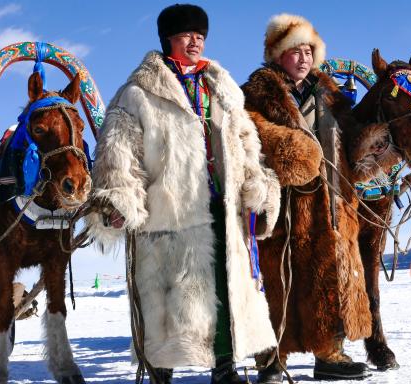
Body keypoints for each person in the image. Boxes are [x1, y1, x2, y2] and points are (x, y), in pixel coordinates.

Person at [86, 4, 281, 384]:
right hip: (168, 212)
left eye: (200, 35)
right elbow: (119, 151)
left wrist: (256, 183)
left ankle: (225, 367)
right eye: (186, 35)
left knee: (226, 290)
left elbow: (244, 141)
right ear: (167, 40)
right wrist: (119, 198)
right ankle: (160, 371)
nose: (194, 42)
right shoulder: (138, 93)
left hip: (222, 205)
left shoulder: (222, 89)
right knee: (166, 300)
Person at [241, 14, 373, 383]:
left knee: (329, 277)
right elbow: (247, 129)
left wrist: (381, 144)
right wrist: (285, 145)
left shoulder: (330, 94)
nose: (303, 58)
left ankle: (329, 354)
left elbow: (351, 139)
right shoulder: (256, 93)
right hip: (281, 205)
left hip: (331, 203)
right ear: (276, 54)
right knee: (278, 280)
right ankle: (271, 358)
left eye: (309, 51)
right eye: (295, 51)